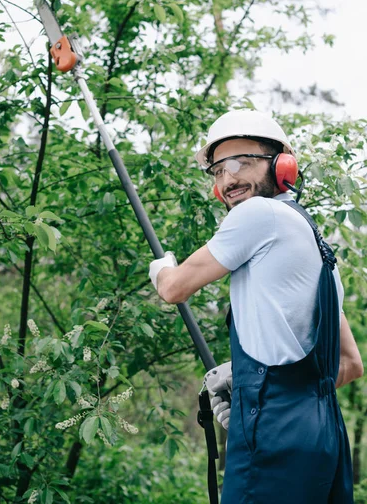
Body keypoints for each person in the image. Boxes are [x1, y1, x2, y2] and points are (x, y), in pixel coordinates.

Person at [149, 110, 363, 504]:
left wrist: (161, 268)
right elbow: (349, 365)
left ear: (282, 166)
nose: (228, 179)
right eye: (218, 170)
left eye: (241, 163)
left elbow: (174, 289)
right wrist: (252, 387)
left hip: (274, 438)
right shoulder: (317, 245)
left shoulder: (258, 213)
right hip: (323, 436)